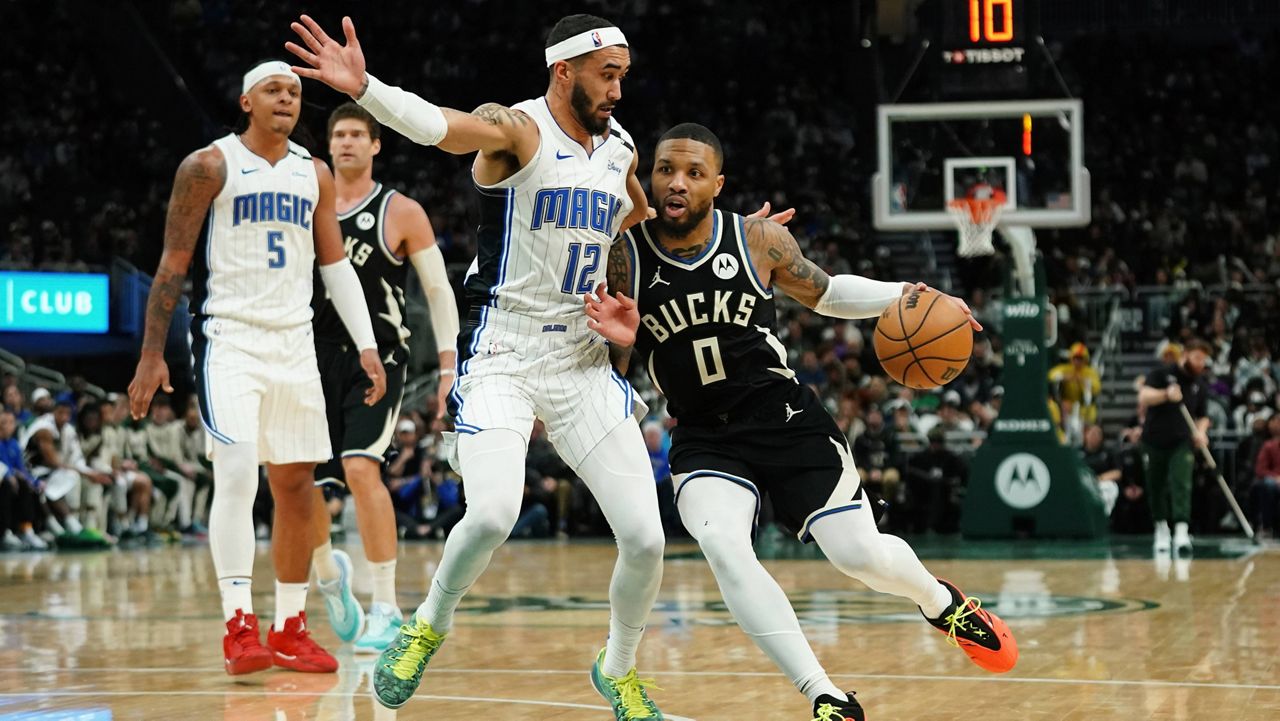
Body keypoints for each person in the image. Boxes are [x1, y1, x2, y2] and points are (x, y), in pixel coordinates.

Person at [287, 14, 666, 716]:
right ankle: (427, 621)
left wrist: (626, 306)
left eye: (623, 74)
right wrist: (365, 89)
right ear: (565, 71)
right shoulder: (517, 128)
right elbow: (439, 126)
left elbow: (631, 220)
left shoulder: (620, 148)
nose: (619, 87)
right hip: (506, 353)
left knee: (645, 536)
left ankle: (618, 668)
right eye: (607, 73)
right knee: (492, 511)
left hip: (582, 360)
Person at [586, 123, 1017, 721]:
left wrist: (911, 297)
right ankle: (825, 697)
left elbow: (829, 293)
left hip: (784, 417)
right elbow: (614, 363)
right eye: (664, 170)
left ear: (717, 183)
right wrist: (623, 344)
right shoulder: (623, 252)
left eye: (692, 172)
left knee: (860, 556)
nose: (676, 183)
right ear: (649, 177)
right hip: (704, 435)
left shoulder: (756, 238)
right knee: (725, 546)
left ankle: (941, 603)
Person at [126, 60, 387, 676]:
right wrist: (151, 352)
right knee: (239, 473)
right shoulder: (209, 165)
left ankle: (291, 626)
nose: (288, 99)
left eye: (295, 93)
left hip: (295, 343)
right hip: (229, 339)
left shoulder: (313, 172)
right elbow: (171, 265)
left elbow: (335, 266)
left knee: (296, 487)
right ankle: (238, 623)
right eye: (274, 90)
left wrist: (368, 345)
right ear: (246, 101)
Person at [305, 101, 461, 655]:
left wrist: (447, 365)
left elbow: (439, 291)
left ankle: (387, 607)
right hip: (309, 357)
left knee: (359, 467)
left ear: (376, 145)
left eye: (357, 134)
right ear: (328, 146)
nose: (346, 142)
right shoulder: (305, 209)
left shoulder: (401, 210)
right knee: (304, 487)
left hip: (379, 358)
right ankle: (330, 577)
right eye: (338, 134)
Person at [1138, 337, 1211, 555]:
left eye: (1204, 360)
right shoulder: (1161, 374)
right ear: (1185, 355)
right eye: (1197, 358)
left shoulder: (1199, 384)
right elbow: (1144, 396)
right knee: (1156, 486)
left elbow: (1203, 416)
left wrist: (1201, 432)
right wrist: (1166, 394)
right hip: (1153, 441)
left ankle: (1181, 531)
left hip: (1182, 442)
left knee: (1182, 483)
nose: (1201, 363)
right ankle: (1161, 530)